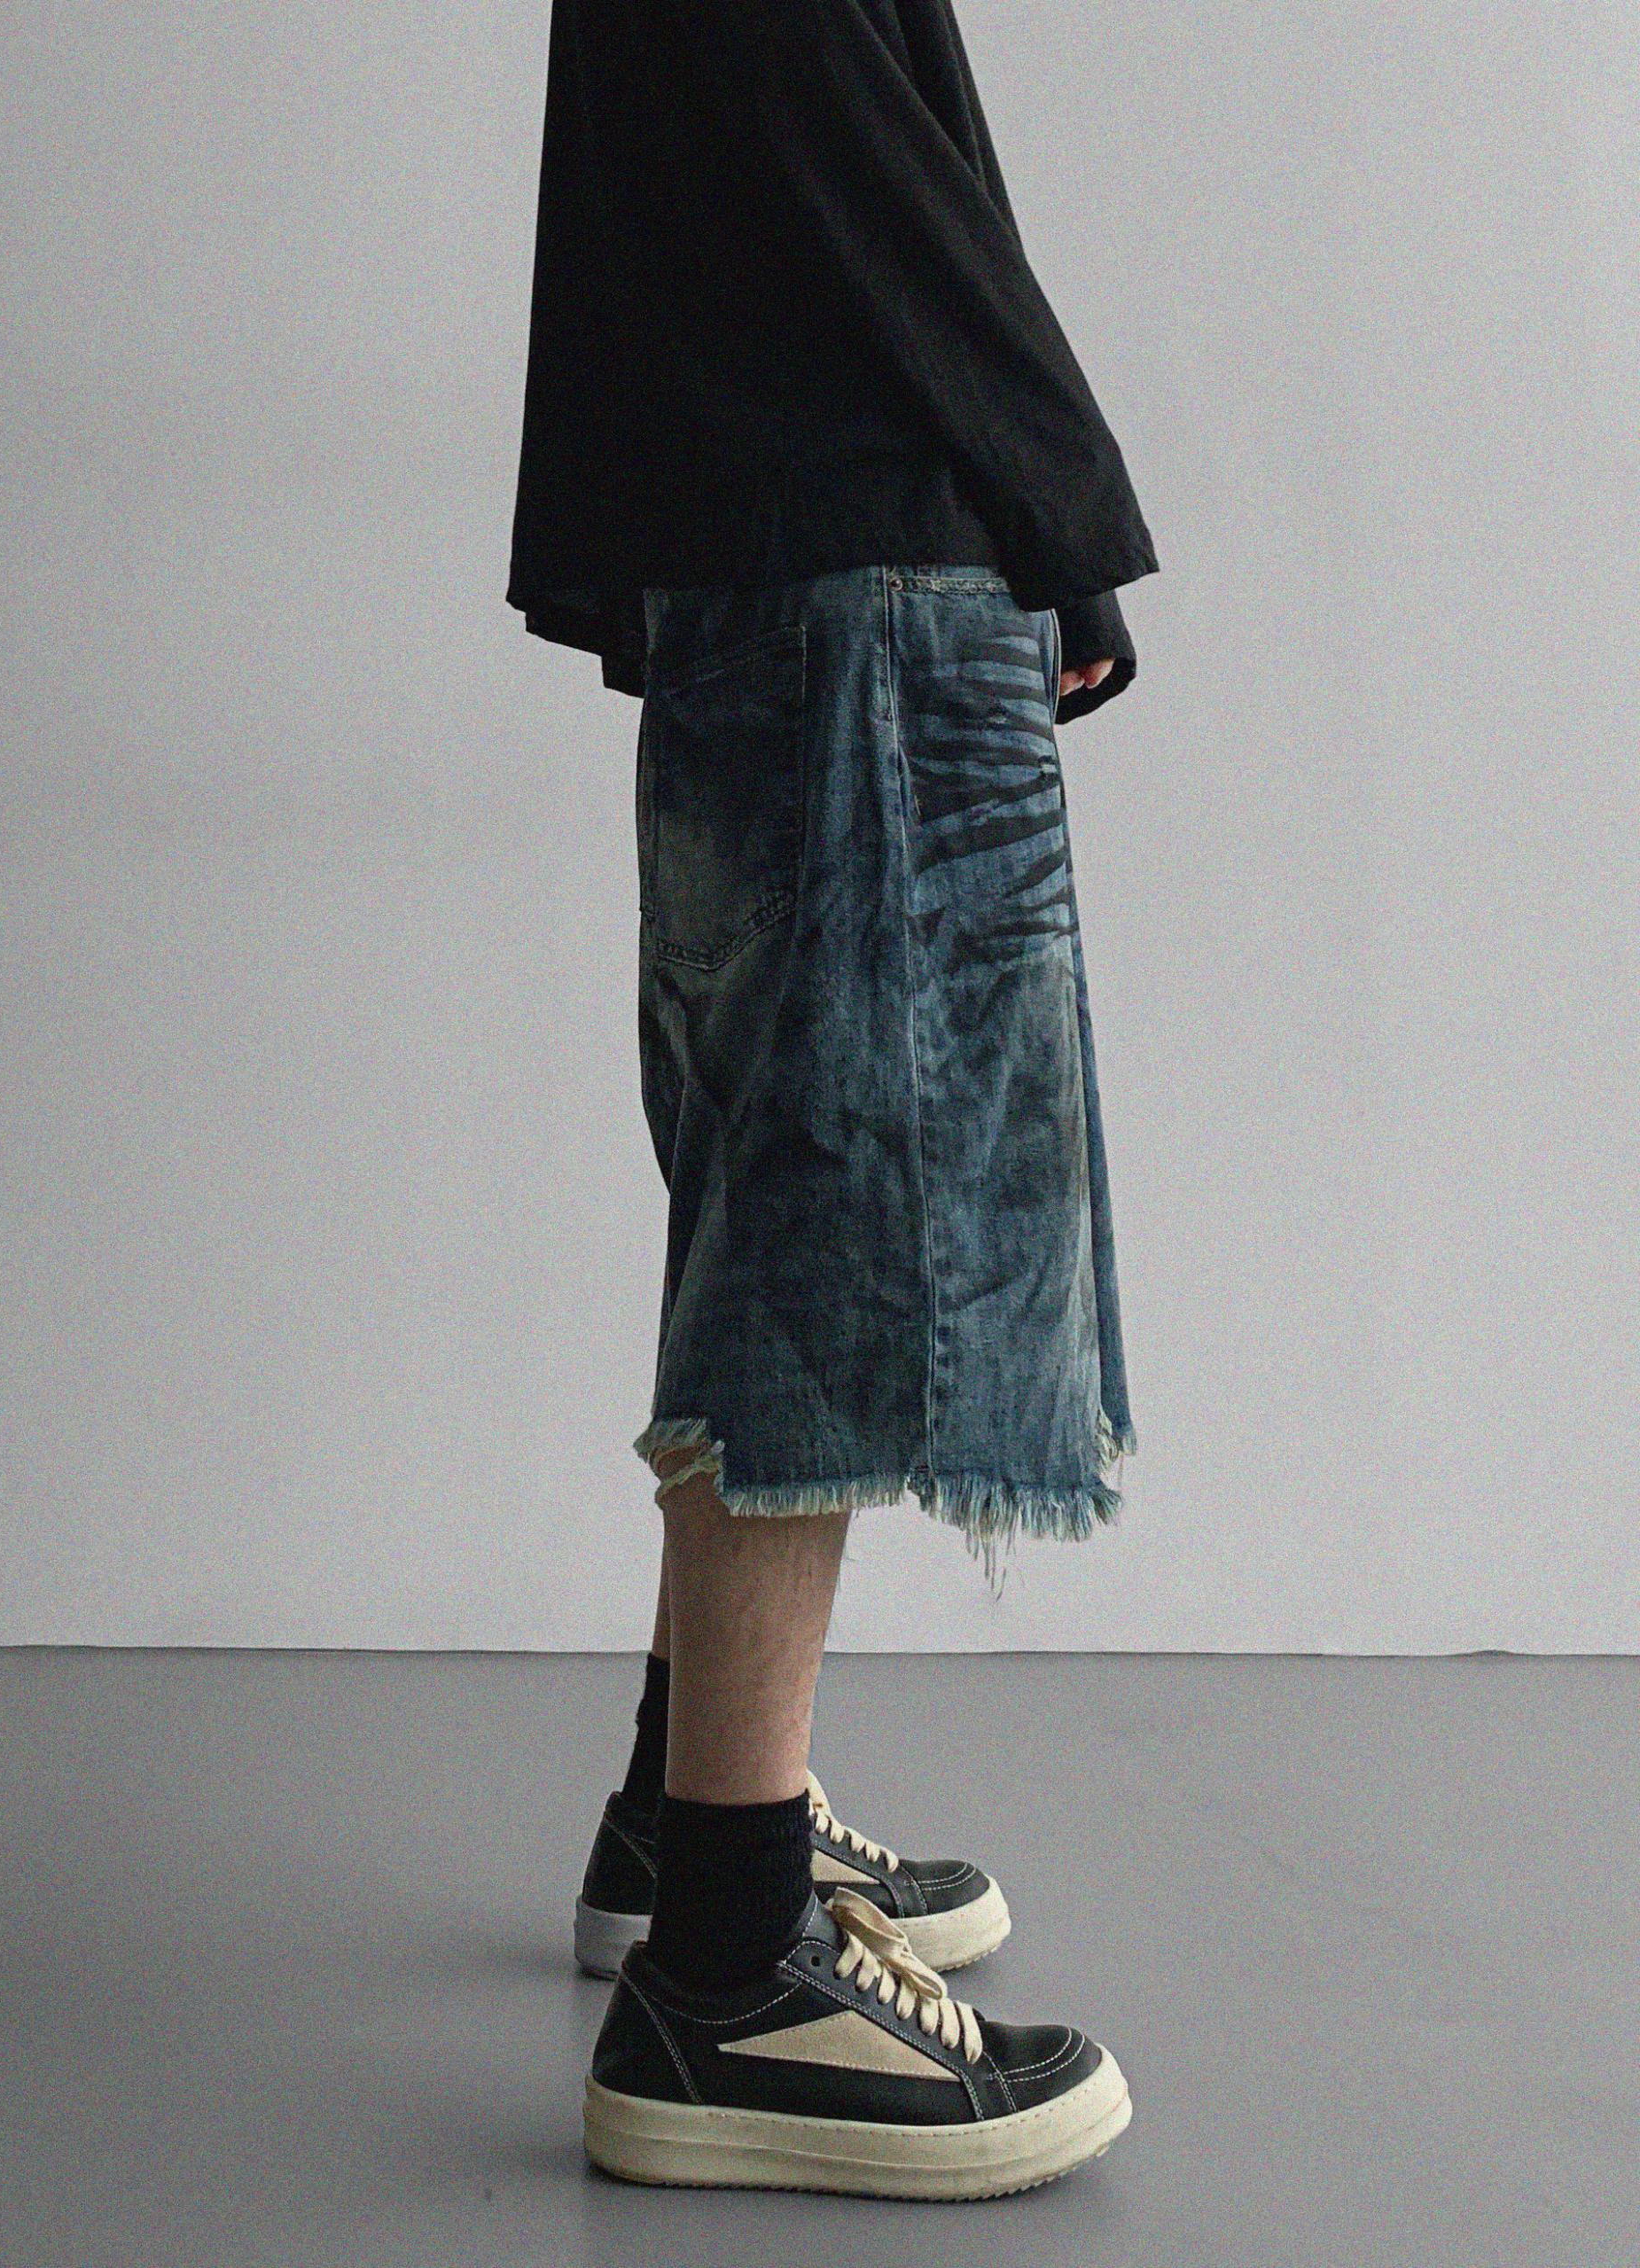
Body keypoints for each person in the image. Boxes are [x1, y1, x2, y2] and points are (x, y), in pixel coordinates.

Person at [507, 0, 1157, 2202]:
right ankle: (727, 1968)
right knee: (821, 1236)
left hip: (766, 539)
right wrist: (1054, 488)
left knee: (767, 1194)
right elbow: (849, 130)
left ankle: (692, 1814)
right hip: (852, 555)